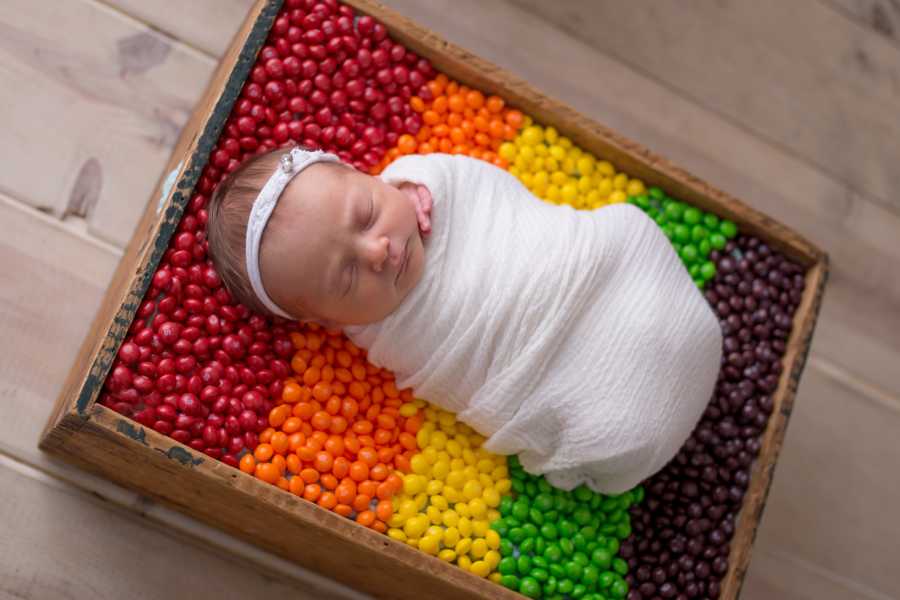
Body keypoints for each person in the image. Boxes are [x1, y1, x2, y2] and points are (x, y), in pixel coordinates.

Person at [207, 145, 722, 493]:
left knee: (627, 235)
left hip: (601, 271)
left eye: (366, 214)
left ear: (371, 177)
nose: (377, 251)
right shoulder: (370, 332)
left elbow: (461, 179)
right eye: (345, 277)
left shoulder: (424, 186)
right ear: (322, 321)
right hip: (557, 385)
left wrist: (423, 184)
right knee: (607, 430)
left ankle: (664, 336)